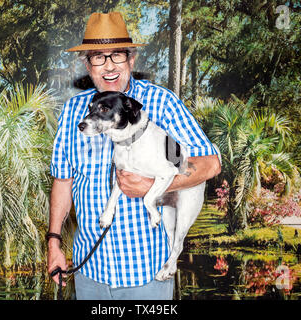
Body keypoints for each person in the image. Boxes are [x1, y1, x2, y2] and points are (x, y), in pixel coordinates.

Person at [47, 12, 221, 300]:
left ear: (131, 59)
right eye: (98, 57)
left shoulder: (161, 106)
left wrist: (152, 187)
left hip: (146, 277)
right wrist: (54, 242)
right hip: (90, 273)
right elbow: (63, 180)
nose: (109, 66)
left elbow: (208, 164)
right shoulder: (73, 113)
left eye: (117, 55)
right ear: (87, 64)